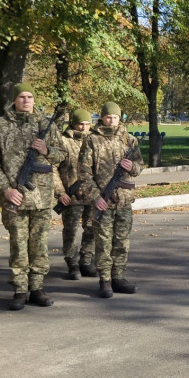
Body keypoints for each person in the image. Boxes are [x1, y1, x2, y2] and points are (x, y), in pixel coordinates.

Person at [0, 83, 64, 310]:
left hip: (42, 197)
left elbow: (62, 154)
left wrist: (46, 150)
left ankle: (37, 287)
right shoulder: (0, 125)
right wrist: (5, 189)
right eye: (22, 96)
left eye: (30, 96)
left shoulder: (47, 124)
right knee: (18, 245)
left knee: (39, 244)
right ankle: (20, 289)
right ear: (14, 100)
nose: (27, 100)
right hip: (14, 196)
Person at [78, 102, 142, 298]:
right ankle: (105, 280)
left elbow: (140, 166)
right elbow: (84, 173)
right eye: (108, 117)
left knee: (121, 241)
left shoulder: (129, 140)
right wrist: (95, 197)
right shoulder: (92, 140)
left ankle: (118, 278)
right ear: (102, 118)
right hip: (102, 201)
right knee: (103, 242)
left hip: (123, 201)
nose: (111, 120)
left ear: (119, 118)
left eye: (115, 117)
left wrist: (132, 166)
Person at [54, 108, 95, 280]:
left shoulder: (95, 140)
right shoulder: (63, 141)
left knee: (92, 229)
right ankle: (72, 263)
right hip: (71, 196)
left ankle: (86, 261)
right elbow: (52, 168)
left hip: (92, 194)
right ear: (73, 124)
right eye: (80, 124)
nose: (84, 127)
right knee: (70, 231)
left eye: (87, 124)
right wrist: (60, 192)